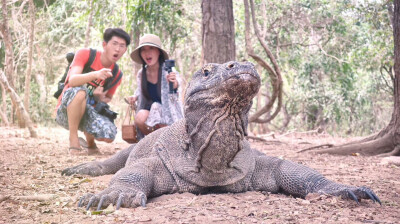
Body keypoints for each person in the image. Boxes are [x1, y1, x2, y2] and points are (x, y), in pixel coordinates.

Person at [55, 28, 131, 155]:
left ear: (125, 50)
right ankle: (73, 140)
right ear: (104, 45)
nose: (118, 49)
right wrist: (96, 74)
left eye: (122, 46)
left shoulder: (117, 73)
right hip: (66, 111)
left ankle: (90, 144)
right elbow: (72, 81)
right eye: (114, 44)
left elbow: (107, 98)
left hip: (88, 111)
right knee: (80, 92)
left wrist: (100, 96)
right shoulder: (85, 54)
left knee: (109, 135)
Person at [127, 34, 183, 140]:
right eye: (143, 50)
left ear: (158, 52)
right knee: (140, 116)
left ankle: (166, 139)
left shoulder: (168, 71)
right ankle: (151, 142)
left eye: (151, 48)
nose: (147, 53)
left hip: (169, 117)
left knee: (156, 108)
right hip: (150, 118)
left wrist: (173, 83)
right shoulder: (141, 74)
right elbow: (139, 91)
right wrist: (134, 97)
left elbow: (177, 86)